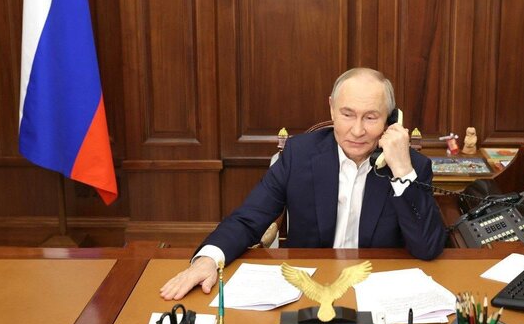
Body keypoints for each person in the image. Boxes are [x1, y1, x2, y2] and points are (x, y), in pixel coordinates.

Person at [160, 68, 446, 300]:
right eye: (347, 114)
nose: (357, 130)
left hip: (377, 290)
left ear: (391, 120)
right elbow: (249, 219)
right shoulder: (299, 155)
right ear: (331, 109)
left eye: (371, 117)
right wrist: (208, 260)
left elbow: (428, 248)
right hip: (308, 289)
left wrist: (402, 171)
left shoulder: (412, 166)